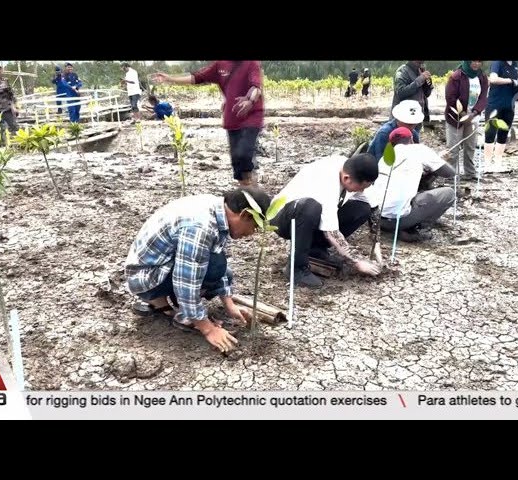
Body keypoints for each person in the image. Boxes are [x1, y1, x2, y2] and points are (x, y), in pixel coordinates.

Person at [125, 187, 271, 353]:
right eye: (255, 227)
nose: (252, 233)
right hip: (145, 278)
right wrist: (208, 329)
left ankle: (171, 307)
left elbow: (216, 256)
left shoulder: (217, 209)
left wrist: (230, 305)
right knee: (215, 266)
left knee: (222, 270)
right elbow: (186, 283)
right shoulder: (200, 226)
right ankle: (161, 302)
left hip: (160, 267)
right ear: (244, 214)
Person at [270, 153, 382, 288]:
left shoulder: (353, 169)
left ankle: (315, 249)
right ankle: (296, 268)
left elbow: (373, 207)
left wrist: (376, 243)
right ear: (347, 179)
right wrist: (357, 261)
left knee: (362, 209)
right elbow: (332, 232)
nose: (363, 191)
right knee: (310, 207)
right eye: (361, 188)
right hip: (284, 219)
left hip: (310, 219)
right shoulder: (326, 181)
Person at [151, 61, 264, 186]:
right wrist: (170, 78)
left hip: (251, 118)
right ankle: (248, 192)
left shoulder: (251, 63)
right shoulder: (220, 65)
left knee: (243, 155)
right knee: (238, 164)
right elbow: (196, 78)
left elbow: (256, 87)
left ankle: (253, 194)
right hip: (232, 119)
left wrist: (249, 101)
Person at [364, 127, 455, 242]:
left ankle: (400, 226)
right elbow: (450, 173)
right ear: (411, 139)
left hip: (377, 220)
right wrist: (440, 159)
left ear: (391, 144)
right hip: (398, 220)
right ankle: (415, 228)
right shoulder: (419, 150)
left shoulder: (385, 158)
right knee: (449, 194)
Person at [444, 61, 488, 180]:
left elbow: (483, 98)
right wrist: (462, 115)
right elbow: (450, 98)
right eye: (473, 61)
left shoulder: (482, 77)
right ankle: (451, 174)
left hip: (473, 117)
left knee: (470, 147)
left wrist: (473, 114)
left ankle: (470, 173)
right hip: (455, 118)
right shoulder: (456, 77)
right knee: (453, 148)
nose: (476, 64)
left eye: (479, 61)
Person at [484, 61, 518, 170]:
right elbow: (493, 79)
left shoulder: (515, 65)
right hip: (494, 104)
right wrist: (511, 81)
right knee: (490, 133)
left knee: (503, 134)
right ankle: (487, 164)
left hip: (509, 105)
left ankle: (498, 163)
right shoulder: (497, 63)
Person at [391, 61, 433, 125]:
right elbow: (401, 93)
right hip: (403, 119)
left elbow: (426, 94)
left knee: (414, 135)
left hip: (416, 117)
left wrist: (428, 85)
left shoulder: (421, 70)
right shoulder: (402, 71)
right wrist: (420, 80)